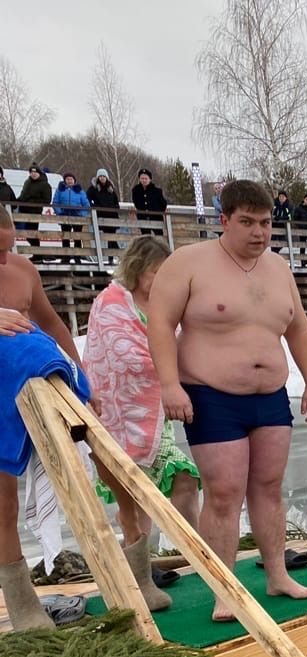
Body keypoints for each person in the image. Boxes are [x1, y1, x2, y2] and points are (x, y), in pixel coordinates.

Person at [146, 179, 307, 623]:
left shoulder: (279, 269)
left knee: (268, 488)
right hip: (211, 394)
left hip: (270, 397)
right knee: (224, 494)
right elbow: (161, 324)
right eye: (247, 222)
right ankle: (224, 589)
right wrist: (170, 384)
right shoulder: (188, 262)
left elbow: (298, 328)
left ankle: (278, 574)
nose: (258, 233)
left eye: (265, 223)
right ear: (223, 220)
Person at [82, 237, 201, 612]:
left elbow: (183, 343)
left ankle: (194, 554)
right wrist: (165, 365)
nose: (160, 279)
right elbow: (116, 352)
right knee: (134, 496)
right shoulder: (112, 303)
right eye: (155, 272)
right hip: (118, 412)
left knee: (184, 477)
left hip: (156, 412)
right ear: (137, 269)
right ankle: (138, 571)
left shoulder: (168, 303)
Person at [0, 204, 87, 630]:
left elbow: (53, 325)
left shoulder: (21, 270)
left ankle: (25, 606)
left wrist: (79, 372)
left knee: (10, 502)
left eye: (7, 247)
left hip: (23, 395)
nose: (3, 258)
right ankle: (20, 605)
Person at [52, 173, 90, 255]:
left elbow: (86, 205)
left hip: (77, 216)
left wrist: (81, 214)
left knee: (77, 237)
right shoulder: (60, 190)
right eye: (67, 179)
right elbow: (55, 203)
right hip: (64, 215)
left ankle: (78, 256)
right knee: (65, 237)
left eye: (71, 179)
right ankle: (66, 257)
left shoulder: (80, 190)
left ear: (74, 180)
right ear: (65, 180)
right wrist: (60, 213)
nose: (69, 181)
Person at [16, 166, 51, 253]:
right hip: (23, 211)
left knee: (32, 234)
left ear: (39, 173)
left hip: (34, 212)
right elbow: (23, 195)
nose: (33, 174)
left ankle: (37, 253)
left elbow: (47, 200)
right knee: (25, 233)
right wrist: (16, 201)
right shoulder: (27, 182)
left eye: (35, 172)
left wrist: (32, 201)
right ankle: (36, 253)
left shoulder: (45, 185)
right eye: (31, 172)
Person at [87, 169, 121, 250]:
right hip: (101, 215)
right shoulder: (94, 188)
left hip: (112, 215)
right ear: (98, 177)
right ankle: (117, 254)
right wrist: (93, 206)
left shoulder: (110, 188)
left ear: (107, 177)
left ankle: (112, 256)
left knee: (112, 235)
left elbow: (116, 200)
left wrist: (116, 208)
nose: (102, 178)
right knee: (109, 236)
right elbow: (87, 198)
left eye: (104, 176)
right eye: (100, 176)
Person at [131, 168, 167, 235]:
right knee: (146, 238)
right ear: (139, 179)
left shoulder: (157, 191)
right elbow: (135, 202)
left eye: (146, 178)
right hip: (143, 218)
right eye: (142, 178)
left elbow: (163, 204)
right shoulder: (136, 190)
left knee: (159, 238)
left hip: (156, 219)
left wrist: (157, 212)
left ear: (150, 179)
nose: (144, 180)